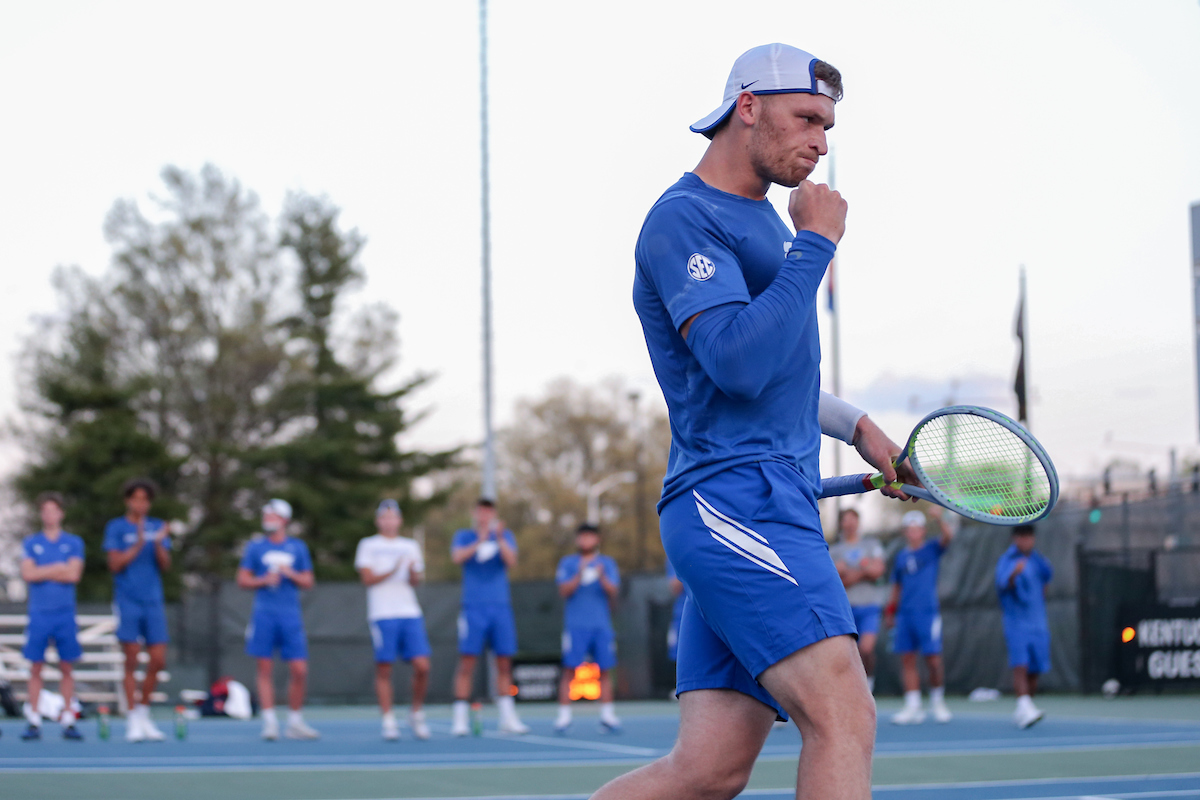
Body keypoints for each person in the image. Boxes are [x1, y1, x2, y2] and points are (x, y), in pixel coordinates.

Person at [594, 43, 917, 800]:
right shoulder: (685, 220)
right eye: (807, 118)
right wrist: (816, 245)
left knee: (706, 771)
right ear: (747, 107)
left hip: (758, 498)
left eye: (829, 125)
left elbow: (772, 371)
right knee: (844, 714)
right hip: (737, 502)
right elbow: (734, 365)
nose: (822, 142)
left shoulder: (762, 221)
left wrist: (857, 425)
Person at [236, 499, 319, 740]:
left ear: (284, 519)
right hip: (263, 614)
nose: (268, 518)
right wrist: (263, 580)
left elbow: (308, 581)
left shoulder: (297, 547)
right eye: (266, 514)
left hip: (290, 615)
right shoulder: (255, 547)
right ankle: (270, 722)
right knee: (264, 668)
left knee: (299, 669)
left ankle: (294, 721)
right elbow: (242, 579)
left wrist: (289, 573)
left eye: (272, 514)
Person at [449, 498, 530, 735]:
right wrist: (481, 539)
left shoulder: (505, 536)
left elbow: (511, 561)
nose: (484, 516)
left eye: (489, 512)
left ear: (493, 514)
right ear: (475, 513)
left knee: (504, 662)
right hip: (473, 608)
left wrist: (500, 537)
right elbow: (457, 557)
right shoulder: (464, 536)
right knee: (467, 662)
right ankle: (460, 719)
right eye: (481, 511)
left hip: (500, 607)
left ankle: (508, 717)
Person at [355, 499, 432, 741]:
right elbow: (367, 579)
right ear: (379, 520)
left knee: (422, 666)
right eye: (384, 517)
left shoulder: (410, 545)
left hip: (409, 612)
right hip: (382, 614)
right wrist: (393, 568)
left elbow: (416, 580)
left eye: (393, 516)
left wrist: (410, 572)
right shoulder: (368, 545)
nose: (389, 521)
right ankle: (388, 720)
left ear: (399, 520)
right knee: (384, 668)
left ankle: (416, 713)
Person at [104, 477, 171, 742]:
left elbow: (165, 565)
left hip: (153, 600)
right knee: (131, 657)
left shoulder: (157, 527)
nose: (140, 503)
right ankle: (131, 717)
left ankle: (144, 712)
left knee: (158, 660)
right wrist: (139, 542)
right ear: (128, 501)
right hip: (128, 600)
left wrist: (156, 543)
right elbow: (114, 564)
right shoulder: (117, 527)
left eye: (145, 499)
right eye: (136, 498)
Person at [20, 492, 85, 741]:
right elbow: (28, 574)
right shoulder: (31, 542)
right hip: (39, 613)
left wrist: (42, 571)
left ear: (61, 513)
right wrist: (58, 568)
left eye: (53, 509)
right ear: (41, 514)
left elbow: (74, 575)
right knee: (36, 667)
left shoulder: (74, 542)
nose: (49, 514)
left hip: (65, 613)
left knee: (67, 667)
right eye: (45, 510)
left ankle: (68, 719)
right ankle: (34, 720)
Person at [885, 508, 955, 724]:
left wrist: (939, 515)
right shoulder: (901, 557)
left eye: (917, 528)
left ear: (923, 531)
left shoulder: (932, 549)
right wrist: (891, 610)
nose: (913, 532)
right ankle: (913, 705)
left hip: (928, 614)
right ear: (906, 532)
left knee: (933, 660)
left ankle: (937, 701)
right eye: (909, 528)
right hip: (905, 615)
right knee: (907, 659)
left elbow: (948, 536)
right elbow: (896, 586)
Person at [554, 523, 621, 733]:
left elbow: (614, 591)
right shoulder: (568, 563)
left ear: (597, 539)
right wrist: (580, 573)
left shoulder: (607, 563)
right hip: (575, 626)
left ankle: (608, 717)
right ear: (577, 540)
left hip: (601, 625)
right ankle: (564, 718)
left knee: (605, 670)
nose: (586, 540)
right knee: (569, 670)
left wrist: (600, 576)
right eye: (582, 536)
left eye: (590, 536)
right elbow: (564, 590)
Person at [995, 524, 1053, 729]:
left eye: (1029, 537)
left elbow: (1046, 581)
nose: (1026, 541)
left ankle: (1024, 709)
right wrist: (1014, 575)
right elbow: (1003, 584)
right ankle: (1024, 706)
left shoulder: (1039, 560)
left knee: (1035, 670)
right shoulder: (1007, 561)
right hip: (1016, 623)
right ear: (1015, 539)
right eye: (1022, 537)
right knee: (1020, 665)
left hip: (1038, 624)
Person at [828, 508, 886, 693]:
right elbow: (835, 581)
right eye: (846, 520)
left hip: (869, 607)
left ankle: (867, 687)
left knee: (866, 649)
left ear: (858, 522)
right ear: (842, 524)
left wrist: (850, 574)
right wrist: (863, 570)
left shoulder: (871, 545)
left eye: (853, 519)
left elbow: (877, 571)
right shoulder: (834, 550)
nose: (850, 524)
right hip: (846, 610)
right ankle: (850, 691)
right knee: (844, 656)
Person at [665, 559, 685, 665]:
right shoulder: (676, 553)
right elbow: (675, 588)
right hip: (681, 618)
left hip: (709, 617)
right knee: (682, 662)